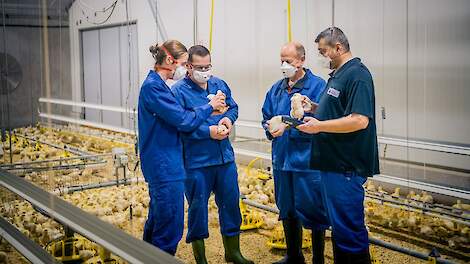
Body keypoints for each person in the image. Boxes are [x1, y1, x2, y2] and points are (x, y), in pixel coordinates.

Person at [298, 27, 380, 264]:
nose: (322, 57)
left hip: (346, 166)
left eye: (323, 51)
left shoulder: (358, 75)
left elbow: (359, 120)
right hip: (331, 164)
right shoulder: (338, 75)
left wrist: (319, 126)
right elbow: (337, 109)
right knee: (340, 227)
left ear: (338, 48)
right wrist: (313, 107)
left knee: (349, 229)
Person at [138, 40, 226, 255]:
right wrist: (210, 107)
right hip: (164, 164)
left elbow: (180, 116)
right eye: (184, 63)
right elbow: (183, 120)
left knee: (158, 217)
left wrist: (208, 112)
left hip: (166, 161)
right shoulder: (153, 88)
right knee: (169, 223)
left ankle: (145, 256)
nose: (186, 68)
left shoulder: (159, 86)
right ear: (170, 60)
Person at [172, 45, 253, 264]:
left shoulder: (219, 84)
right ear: (189, 66)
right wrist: (209, 132)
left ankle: (233, 252)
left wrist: (228, 120)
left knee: (231, 203)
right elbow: (181, 125)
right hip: (197, 162)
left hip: (224, 159)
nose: (205, 71)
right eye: (199, 67)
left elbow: (233, 107)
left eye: (208, 66)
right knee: (198, 208)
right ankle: (201, 259)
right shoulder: (179, 92)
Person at [261, 41, 328, 264]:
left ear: (301, 60)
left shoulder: (317, 87)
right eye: (281, 60)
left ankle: (318, 259)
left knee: (314, 210)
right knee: (287, 208)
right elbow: (266, 117)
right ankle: (294, 256)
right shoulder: (276, 89)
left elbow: (323, 120)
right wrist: (270, 129)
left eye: (288, 61)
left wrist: (289, 123)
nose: (283, 65)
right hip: (282, 160)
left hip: (306, 161)